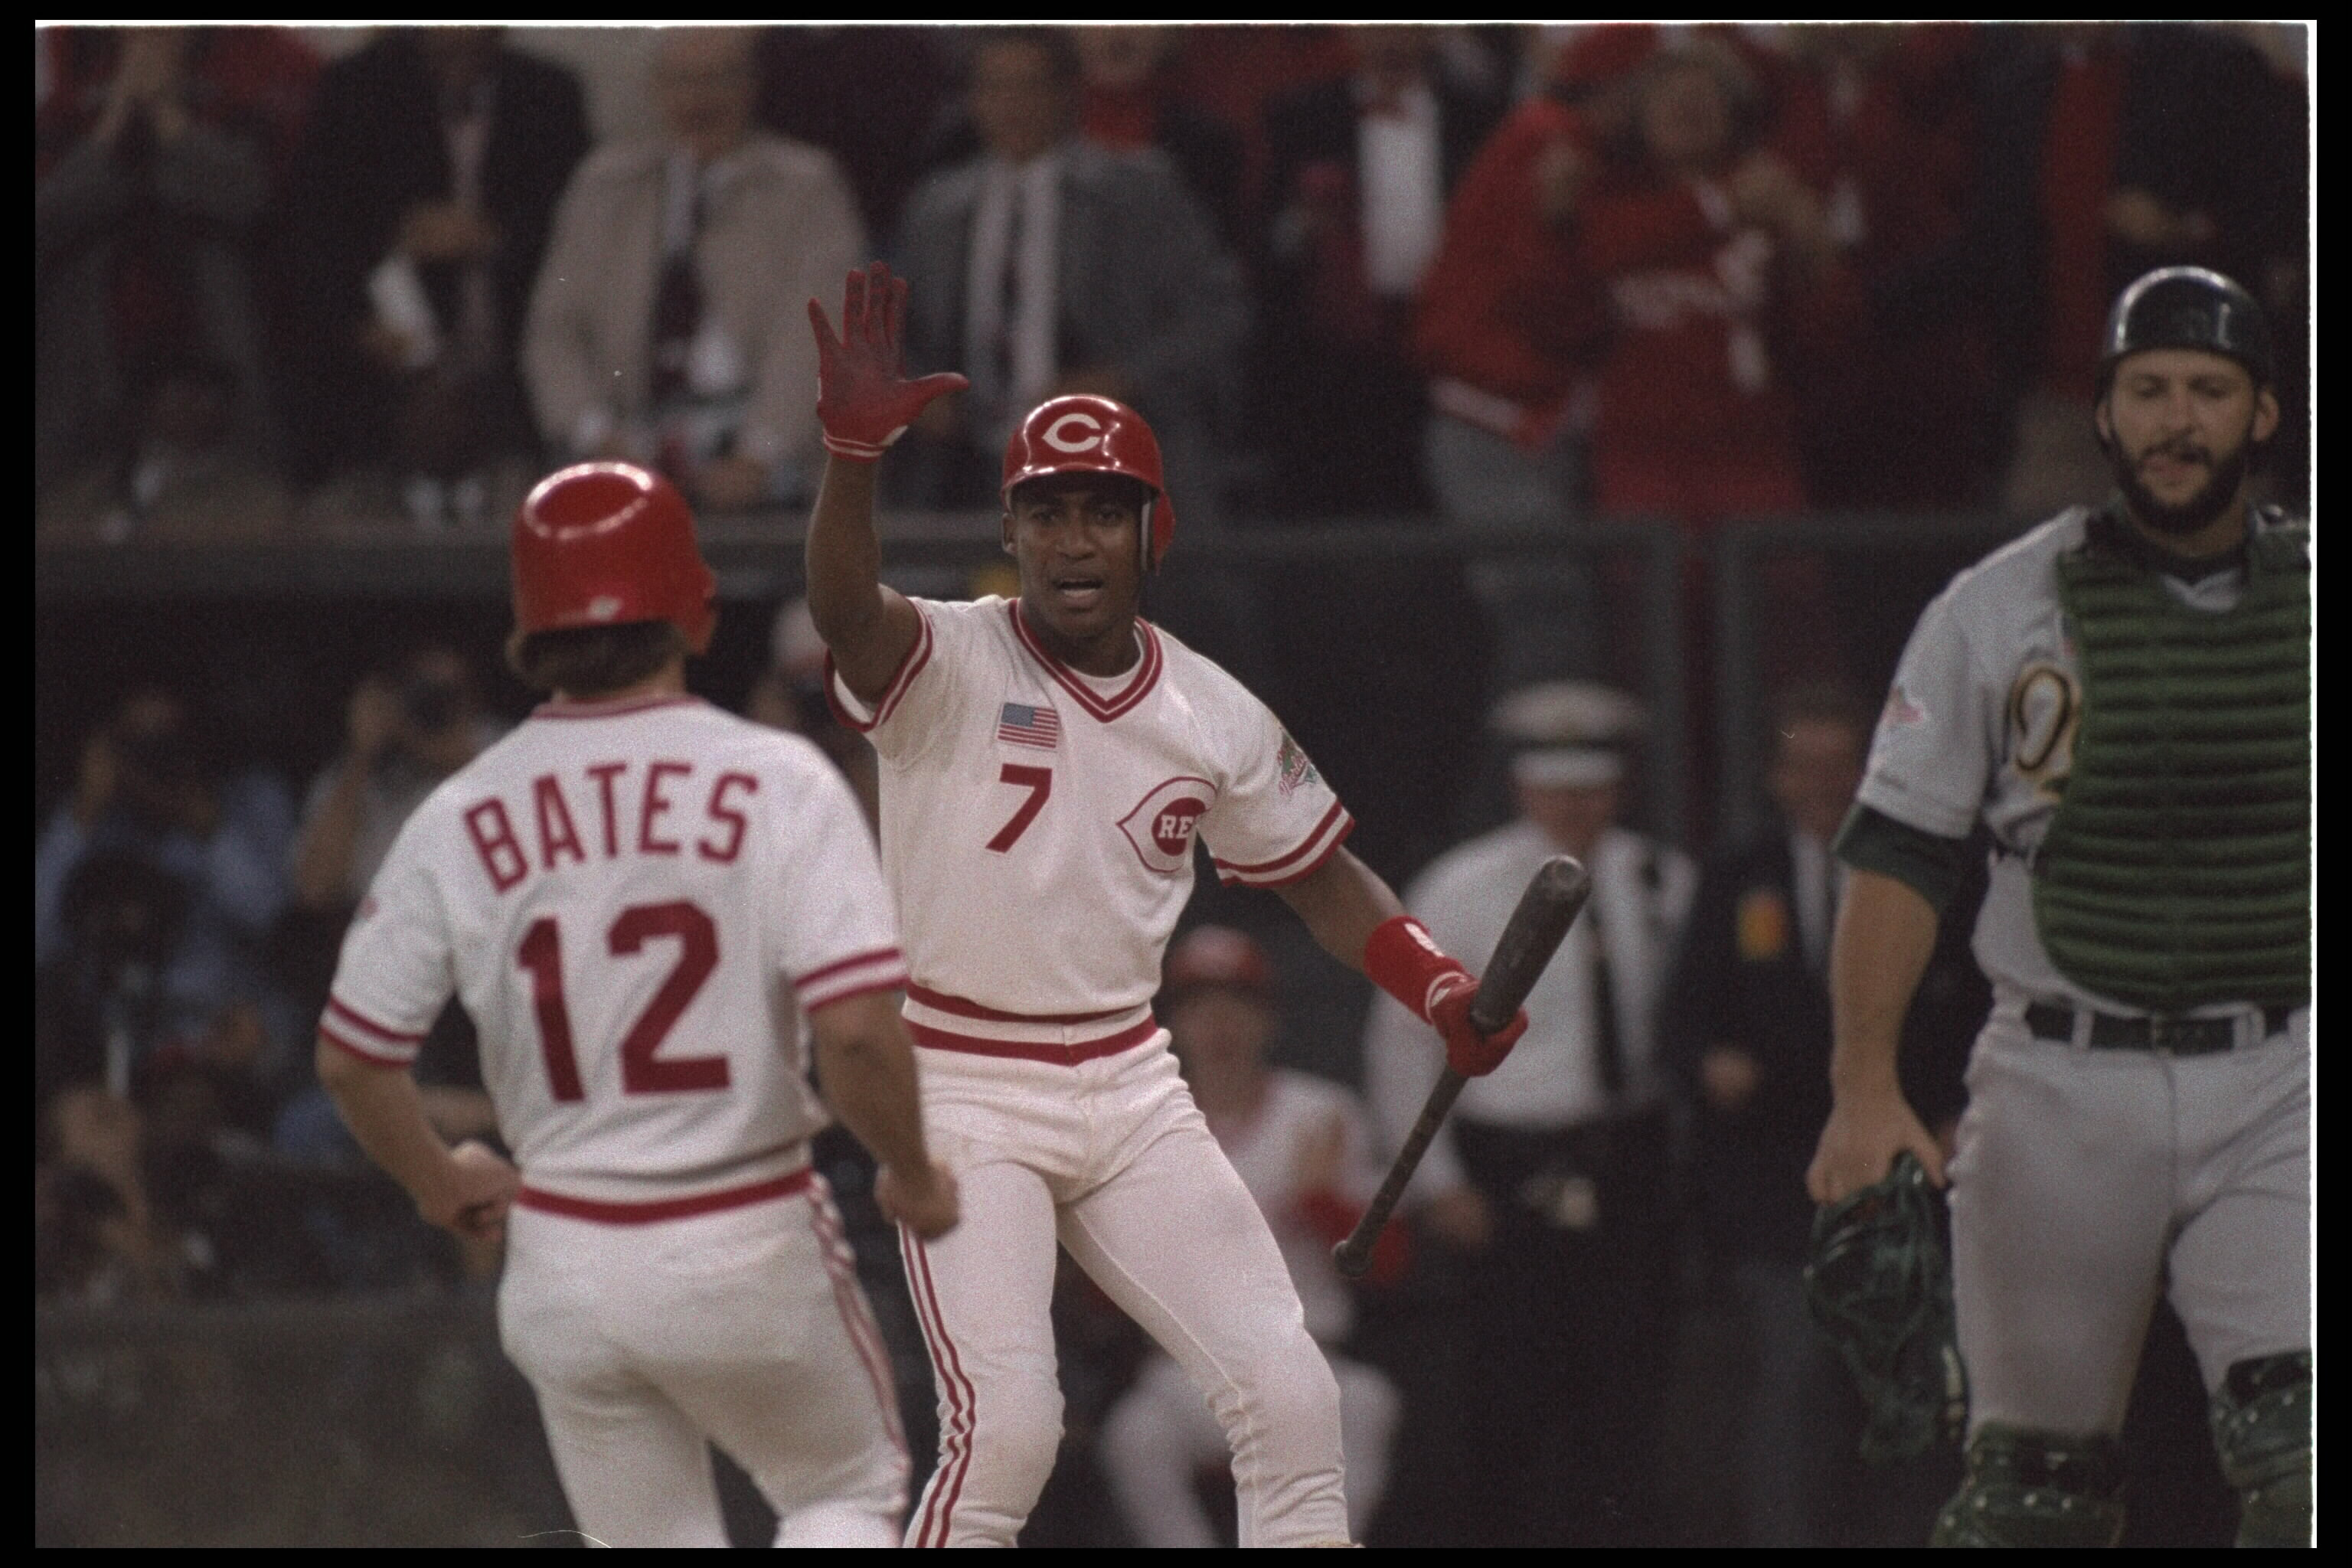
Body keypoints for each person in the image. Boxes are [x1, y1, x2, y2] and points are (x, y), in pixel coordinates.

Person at [802, 260, 1525, 1547]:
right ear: (1011, 531)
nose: (1073, 538)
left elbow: (1320, 878)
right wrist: (853, 458)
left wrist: (1436, 984)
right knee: (1011, 1427)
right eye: (1047, 512)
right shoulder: (951, 652)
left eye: (1102, 511)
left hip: (1130, 1080)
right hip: (964, 1081)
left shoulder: (1211, 708)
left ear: (1155, 531)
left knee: (1296, 1394)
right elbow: (845, 612)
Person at [312, 461, 959, 1547]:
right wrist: (911, 1168)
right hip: (744, 1231)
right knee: (843, 1492)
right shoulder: (779, 778)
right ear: (691, 612)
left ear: (531, 631)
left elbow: (349, 1059)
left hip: (564, 1253)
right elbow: (852, 1031)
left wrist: (439, 1180)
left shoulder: (461, 808)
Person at [1808, 267, 2309, 1547]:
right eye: (2146, 390)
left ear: (2261, 413)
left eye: (2207, 389)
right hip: (2058, 1074)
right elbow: (1901, 852)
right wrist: (1864, 1083)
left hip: (2285, 1068)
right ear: (2103, 412)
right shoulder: (1997, 605)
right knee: (2030, 1502)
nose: (2174, 419)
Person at [1364, 678, 1696, 1547]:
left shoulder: (1662, 879)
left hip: (1628, 1154)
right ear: (1523, 786)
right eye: (1556, 788)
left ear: (1617, 789)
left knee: (1626, 1382)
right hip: (1505, 1159)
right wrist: (1437, 1185)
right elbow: (1402, 1043)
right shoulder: (1463, 883)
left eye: (1591, 789)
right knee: (1506, 1389)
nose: (1574, 806)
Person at [1099, 926, 1403, 1547]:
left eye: (1238, 1005)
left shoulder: (1321, 1113)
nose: (1220, 1024)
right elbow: (1101, 1296)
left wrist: (1323, 1203)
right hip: (1188, 1373)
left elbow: (1391, 1264)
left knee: (1369, 1404)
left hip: (1308, 1358)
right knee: (1137, 1435)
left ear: (1267, 1019)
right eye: (1200, 1007)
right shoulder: (1138, 1125)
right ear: (1172, 1023)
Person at [886, 28, 1247, 514]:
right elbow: (896, 331)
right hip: (964, 465)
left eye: (1029, 86)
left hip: (1110, 453)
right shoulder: (937, 207)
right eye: (994, 88)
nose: (1011, 105)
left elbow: (1217, 318)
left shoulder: (1140, 191)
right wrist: (918, 390)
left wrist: (1121, 380)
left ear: (1067, 93)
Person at [524, 28, 864, 511]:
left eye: (717, 81)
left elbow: (821, 337)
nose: (700, 100)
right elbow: (553, 332)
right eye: (683, 81)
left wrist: (758, 456)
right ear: (657, 89)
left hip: (762, 462)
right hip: (622, 450)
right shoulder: (603, 186)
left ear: (750, 86)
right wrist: (596, 437)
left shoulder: (807, 188)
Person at [280, 28, 589, 519]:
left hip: (512, 370)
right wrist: (395, 248)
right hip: (385, 373)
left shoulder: (546, 93)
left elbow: (576, 234)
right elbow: (310, 235)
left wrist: (492, 237)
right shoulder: (360, 89)